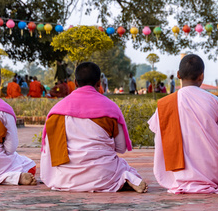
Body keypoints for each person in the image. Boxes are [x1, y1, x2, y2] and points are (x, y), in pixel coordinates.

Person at [40, 62, 147, 193]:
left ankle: (121, 179)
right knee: (124, 166)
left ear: (75, 82)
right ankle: (123, 179)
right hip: (103, 176)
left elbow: (48, 150)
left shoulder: (57, 111)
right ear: (99, 83)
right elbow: (121, 148)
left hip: (66, 178)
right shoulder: (110, 108)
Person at [147, 54, 218, 194]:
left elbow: (160, 140)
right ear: (201, 76)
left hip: (177, 175)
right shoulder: (215, 101)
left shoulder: (165, 104)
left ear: (178, 75)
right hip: (212, 174)